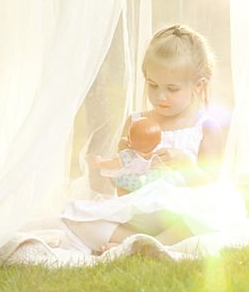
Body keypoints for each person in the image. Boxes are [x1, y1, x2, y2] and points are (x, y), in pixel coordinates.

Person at [63, 23, 224, 253]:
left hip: (180, 213)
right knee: (75, 217)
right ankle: (139, 240)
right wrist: (116, 168)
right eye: (153, 85)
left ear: (197, 86)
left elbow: (211, 186)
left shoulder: (205, 128)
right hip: (139, 213)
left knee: (212, 216)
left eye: (172, 88)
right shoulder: (135, 122)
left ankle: (147, 243)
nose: (160, 96)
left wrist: (185, 165)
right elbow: (121, 183)